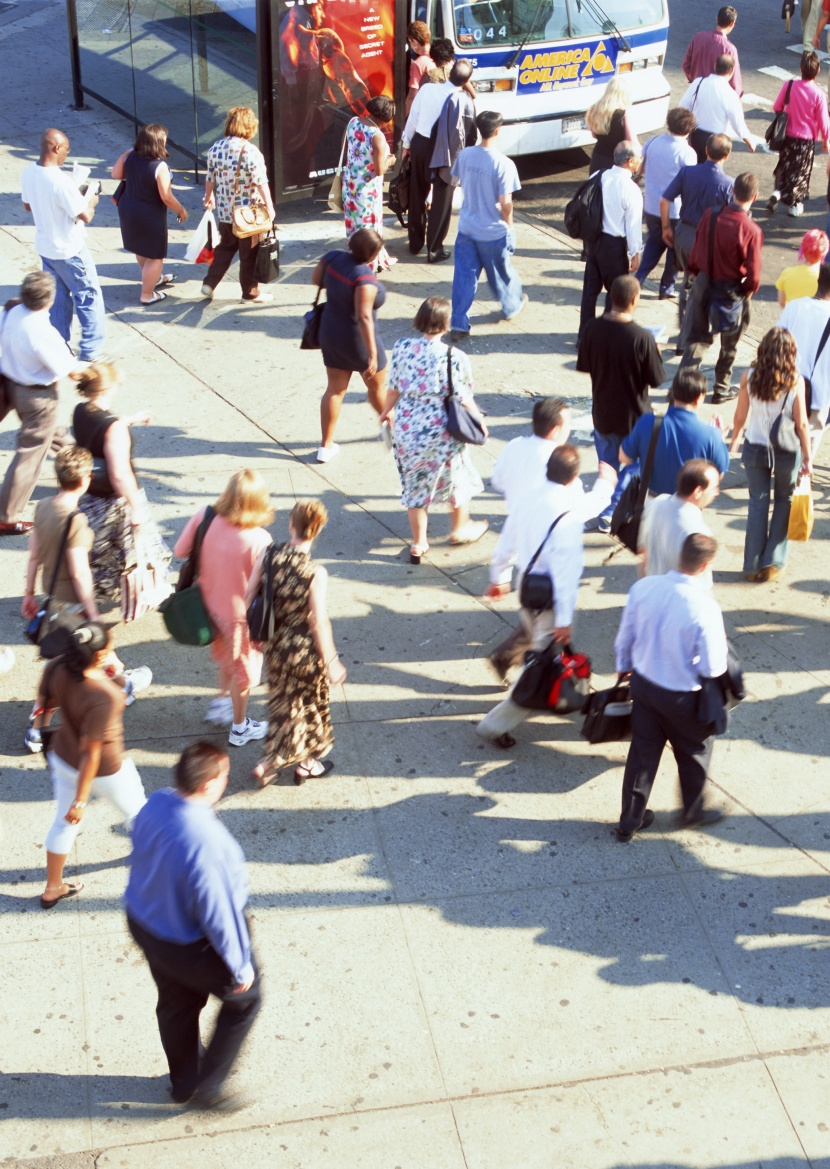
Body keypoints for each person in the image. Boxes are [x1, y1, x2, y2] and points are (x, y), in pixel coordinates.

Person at [125, 740, 261, 1110]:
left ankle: (183, 1082)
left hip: (146, 924)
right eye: (225, 776)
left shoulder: (156, 802)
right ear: (208, 785)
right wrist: (240, 966)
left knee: (176, 1004)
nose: (226, 782)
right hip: (190, 945)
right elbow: (220, 913)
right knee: (245, 1001)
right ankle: (209, 1087)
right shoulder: (211, 844)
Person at [476, 447, 616, 746]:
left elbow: (506, 542)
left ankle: (507, 661)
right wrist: (564, 620)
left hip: (527, 589)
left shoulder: (529, 498)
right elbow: (565, 576)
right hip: (551, 602)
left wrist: (498, 578)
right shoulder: (567, 513)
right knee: (541, 670)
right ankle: (495, 724)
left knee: (537, 646)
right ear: (575, 477)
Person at [614, 533, 728, 841]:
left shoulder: (643, 587)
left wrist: (624, 665)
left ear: (680, 556)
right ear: (706, 565)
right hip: (682, 698)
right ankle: (691, 811)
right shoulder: (705, 607)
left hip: (644, 685)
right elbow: (713, 667)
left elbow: (625, 637)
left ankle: (629, 821)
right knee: (694, 753)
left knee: (642, 754)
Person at [36, 621, 147, 905]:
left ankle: (52, 887)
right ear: (98, 655)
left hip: (62, 756)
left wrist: (41, 733)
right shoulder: (104, 697)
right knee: (138, 814)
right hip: (106, 769)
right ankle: (160, 863)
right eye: (109, 647)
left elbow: (44, 703)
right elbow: (92, 752)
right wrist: (81, 801)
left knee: (63, 825)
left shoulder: (57, 666)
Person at [378, 296, 488, 562]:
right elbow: (464, 396)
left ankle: (418, 543)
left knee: (414, 485)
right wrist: (480, 421)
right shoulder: (455, 356)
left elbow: (394, 387)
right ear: (446, 324)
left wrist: (385, 411)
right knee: (455, 476)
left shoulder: (402, 347)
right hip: (442, 429)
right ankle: (459, 527)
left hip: (408, 427)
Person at [246, 500, 348, 787]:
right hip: (304, 650)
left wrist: (252, 634)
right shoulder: (315, 573)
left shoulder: (268, 554)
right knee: (311, 706)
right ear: (317, 531)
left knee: (283, 704)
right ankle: (289, 762)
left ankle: (285, 760)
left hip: (275, 644)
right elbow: (318, 622)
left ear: (291, 524)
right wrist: (331, 662)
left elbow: (249, 593)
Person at [174, 470, 273, 744]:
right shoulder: (260, 539)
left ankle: (221, 702)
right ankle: (240, 728)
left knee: (227, 659)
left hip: (207, 608)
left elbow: (180, 552)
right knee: (243, 674)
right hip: (240, 619)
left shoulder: (205, 516)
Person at [72, 362, 169, 602]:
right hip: (114, 504)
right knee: (133, 553)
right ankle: (135, 595)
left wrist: (128, 420)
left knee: (96, 553)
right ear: (108, 389)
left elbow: (103, 425)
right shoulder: (114, 428)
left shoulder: (81, 411)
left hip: (89, 496)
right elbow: (119, 474)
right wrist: (136, 508)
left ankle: (88, 594)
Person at [0, 271, 87, 536]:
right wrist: (92, 370)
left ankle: (81, 465)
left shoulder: (13, 311)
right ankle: (7, 515)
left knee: (51, 433)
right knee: (30, 455)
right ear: (49, 300)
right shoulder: (42, 331)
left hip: (9, 384)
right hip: (37, 396)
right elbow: (69, 371)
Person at [578, 274, 665, 532]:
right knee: (636, 465)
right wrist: (656, 352)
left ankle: (604, 506)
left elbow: (584, 365)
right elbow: (657, 379)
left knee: (608, 469)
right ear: (635, 299)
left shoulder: (592, 328)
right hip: (635, 418)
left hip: (603, 413)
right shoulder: (642, 338)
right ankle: (611, 510)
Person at [727, 327, 812, 581]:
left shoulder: (749, 376)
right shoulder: (795, 380)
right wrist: (807, 456)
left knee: (757, 503)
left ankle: (752, 566)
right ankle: (772, 561)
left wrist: (735, 440)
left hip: (755, 447)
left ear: (762, 349)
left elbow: (740, 416)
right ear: (790, 353)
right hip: (786, 449)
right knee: (784, 500)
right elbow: (802, 424)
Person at [677, 172, 763, 403]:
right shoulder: (751, 229)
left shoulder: (710, 215)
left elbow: (696, 251)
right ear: (755, 198)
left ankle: (682, 388)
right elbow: (754, 274)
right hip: (732, 290)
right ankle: (721, 388)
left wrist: (695, 275)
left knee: (698, 339)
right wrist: (747, 291)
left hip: (704, 283)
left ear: (733, 191)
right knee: (730, 344)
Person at [20, 128, 105, 360]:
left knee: (58, 299)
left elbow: (28, 206)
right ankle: (91, 351)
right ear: (57, 148)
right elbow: (85, 215)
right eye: (66, 150)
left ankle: (59, 344)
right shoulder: (60, 182)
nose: (66, 155)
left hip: (46, 248)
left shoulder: (28, 173)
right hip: (70, 249)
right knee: (88, 295)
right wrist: (92, 199)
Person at [312, 228, 388, 464]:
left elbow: (316, 280)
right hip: (359, 342)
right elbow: (364, 316)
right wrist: (373, 355)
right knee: (377, 388)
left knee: (334, 390)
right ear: (373, 255)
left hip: (331, 332)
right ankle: (392, 430)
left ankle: (325, 447)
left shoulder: (332, 258)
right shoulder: (364, 278)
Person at [449, 110, 527, 342]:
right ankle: (512, 305)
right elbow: (506, 203)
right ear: (497, 131)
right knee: (501, 273)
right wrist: (509, 225)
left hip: (467, 227)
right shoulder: (504, 164)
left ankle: (458, 322)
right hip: (493, 232)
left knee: (464, 276)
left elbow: (458, 180)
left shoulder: (465, 155)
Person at [661, 134, 734, 335]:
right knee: (702, 287)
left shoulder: (687, 173)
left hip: (683, 233)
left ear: (706, 150)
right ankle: (690, 334)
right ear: (726, 155)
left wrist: (666, 227)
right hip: (708, 241)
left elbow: (665, 200)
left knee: (687, 282)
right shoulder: (728, 184)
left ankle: (686, 327)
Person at [201, 107, 275, 305]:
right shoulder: (251, 151)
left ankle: (209, 284)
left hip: (226, 211)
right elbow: (261, 182)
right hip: (248, 215)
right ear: (249, 126)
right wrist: (270, 207)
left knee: (225, 248)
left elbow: (210, 177)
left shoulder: (216, 147)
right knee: (249, 254)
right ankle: (250, 293)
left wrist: (209, 197)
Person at [112, 123, 188, 305]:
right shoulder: (159, 166)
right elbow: (166, 196)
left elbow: (115, 174)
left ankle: (154, 278)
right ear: (160, 142)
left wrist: (128, 152)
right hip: (149, 214)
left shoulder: (131, 157)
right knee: (155, 255)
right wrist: (181, 210)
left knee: (141, 248)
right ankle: (147, 294)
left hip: (128, 209)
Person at [23, 445, 100, 626]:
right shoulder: (76, 520)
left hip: (50, 593)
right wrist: (94, 613)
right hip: (72, 601)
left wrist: (29, 594)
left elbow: (34, 556)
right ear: (84, 480)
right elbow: (78, 573)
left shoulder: (42, 506)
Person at [620, 369, 730, 496]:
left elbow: (624, 457)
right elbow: (719, 474)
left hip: (651, 503)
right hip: (687, 505)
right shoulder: (711, 435)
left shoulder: (647, 422)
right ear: (699, 398)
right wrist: (719, 438)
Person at [578, 141, 642, 342]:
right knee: (614, 294)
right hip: (613, 246)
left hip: (593, 242)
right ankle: (605, 336)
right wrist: (635, 253)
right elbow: (633, 226)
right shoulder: (631, 189)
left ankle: (585, 336)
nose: (640, 161)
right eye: (639, 158)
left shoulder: (598, 176)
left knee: (590, 291)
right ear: (631, 161)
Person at [636, 108, 698, 300]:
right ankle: (666, 288)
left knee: (653, 244)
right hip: (675, 210)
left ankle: (636, 280)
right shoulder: (688, 153)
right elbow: (689, 183)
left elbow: (641, 167)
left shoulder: (652, 142)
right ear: (689, 130)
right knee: (674, 250)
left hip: (651, 204)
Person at [767, 53, 830, 220]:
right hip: (806, 140)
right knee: (800, 173)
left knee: (784, 165)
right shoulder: (818, 94)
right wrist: (826, 140)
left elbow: (777, 106)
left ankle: (777, 192)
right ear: (817, 71)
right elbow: (824, 122)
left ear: (801, 68)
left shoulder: (789, 85)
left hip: (787, 136)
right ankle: (794, 205)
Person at [427, 60, 478, 264]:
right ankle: (434, 248)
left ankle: (432, 244)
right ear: (467, 80)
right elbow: (470, 134)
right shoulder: (463, 101)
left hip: (432, 151)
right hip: (450, 160)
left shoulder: (432, 90)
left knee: (439, 203)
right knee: (442, 206)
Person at [401, 66, 455, 256]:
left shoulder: (426, 90)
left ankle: (415, 243)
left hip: (421, 145)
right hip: (446, 151)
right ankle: (435, 249)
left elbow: (412, 120)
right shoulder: (460, 96)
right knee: (442, 199)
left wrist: (406, 144)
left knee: (417, 194)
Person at [639, 459, 720, 584]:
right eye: (714, 488)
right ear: (698, 491)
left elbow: (644, 553)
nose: (717, 493)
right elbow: (701, 583)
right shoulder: (699, 534)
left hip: (651, 587)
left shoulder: (656, 502)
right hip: (675, 598)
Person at [778, 261, 830, 457]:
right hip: (820, 396)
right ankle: (799, 477)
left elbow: (775, 342)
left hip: (786, 388)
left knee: (783, 437)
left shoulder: (795, 307)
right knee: (809, 442)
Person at [342, 95, 397, 272]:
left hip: (351, 184)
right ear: (385, 118)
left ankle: (357, 256)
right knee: (369, 227)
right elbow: (380, 169)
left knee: (354, 225)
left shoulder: (353, 122)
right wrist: (391, 160)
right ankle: (368, 263)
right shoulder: (377, 136)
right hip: (368, 190)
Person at [680, 56, 756, 164]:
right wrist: (749, 141)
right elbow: (738, 123)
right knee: (710, 172)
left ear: (715, 66)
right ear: (732, 70)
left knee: (694, 167)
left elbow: (683, 107)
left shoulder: (698, 82)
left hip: (695, 135)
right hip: (716, 141)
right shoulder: (730, 94)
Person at [682, 5, 743, 96]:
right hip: (715, 96)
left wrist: (694, 80)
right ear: (732, 23)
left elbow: (686, 65)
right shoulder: (730, 49)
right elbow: (735, 85)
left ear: (717, 19)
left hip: (695, 92)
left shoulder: (699, 37)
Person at [586, 77, 636, 174]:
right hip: (618, 161)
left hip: (598, 158)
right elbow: (632, 140)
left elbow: (593, 134)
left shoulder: (594, 109)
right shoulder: (624, 113)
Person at [777, 230, 830, 307]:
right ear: (825, 252)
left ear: (803, 249)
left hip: (794, 317)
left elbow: (782, 302)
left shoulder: (787, 273)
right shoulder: (826, 279)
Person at [405, 21, 433, 115]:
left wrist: (408, 117)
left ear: (415, 42)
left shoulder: (418, 64)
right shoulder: (441, 57)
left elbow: (413, 95)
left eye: (410, 42)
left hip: (426, 112)